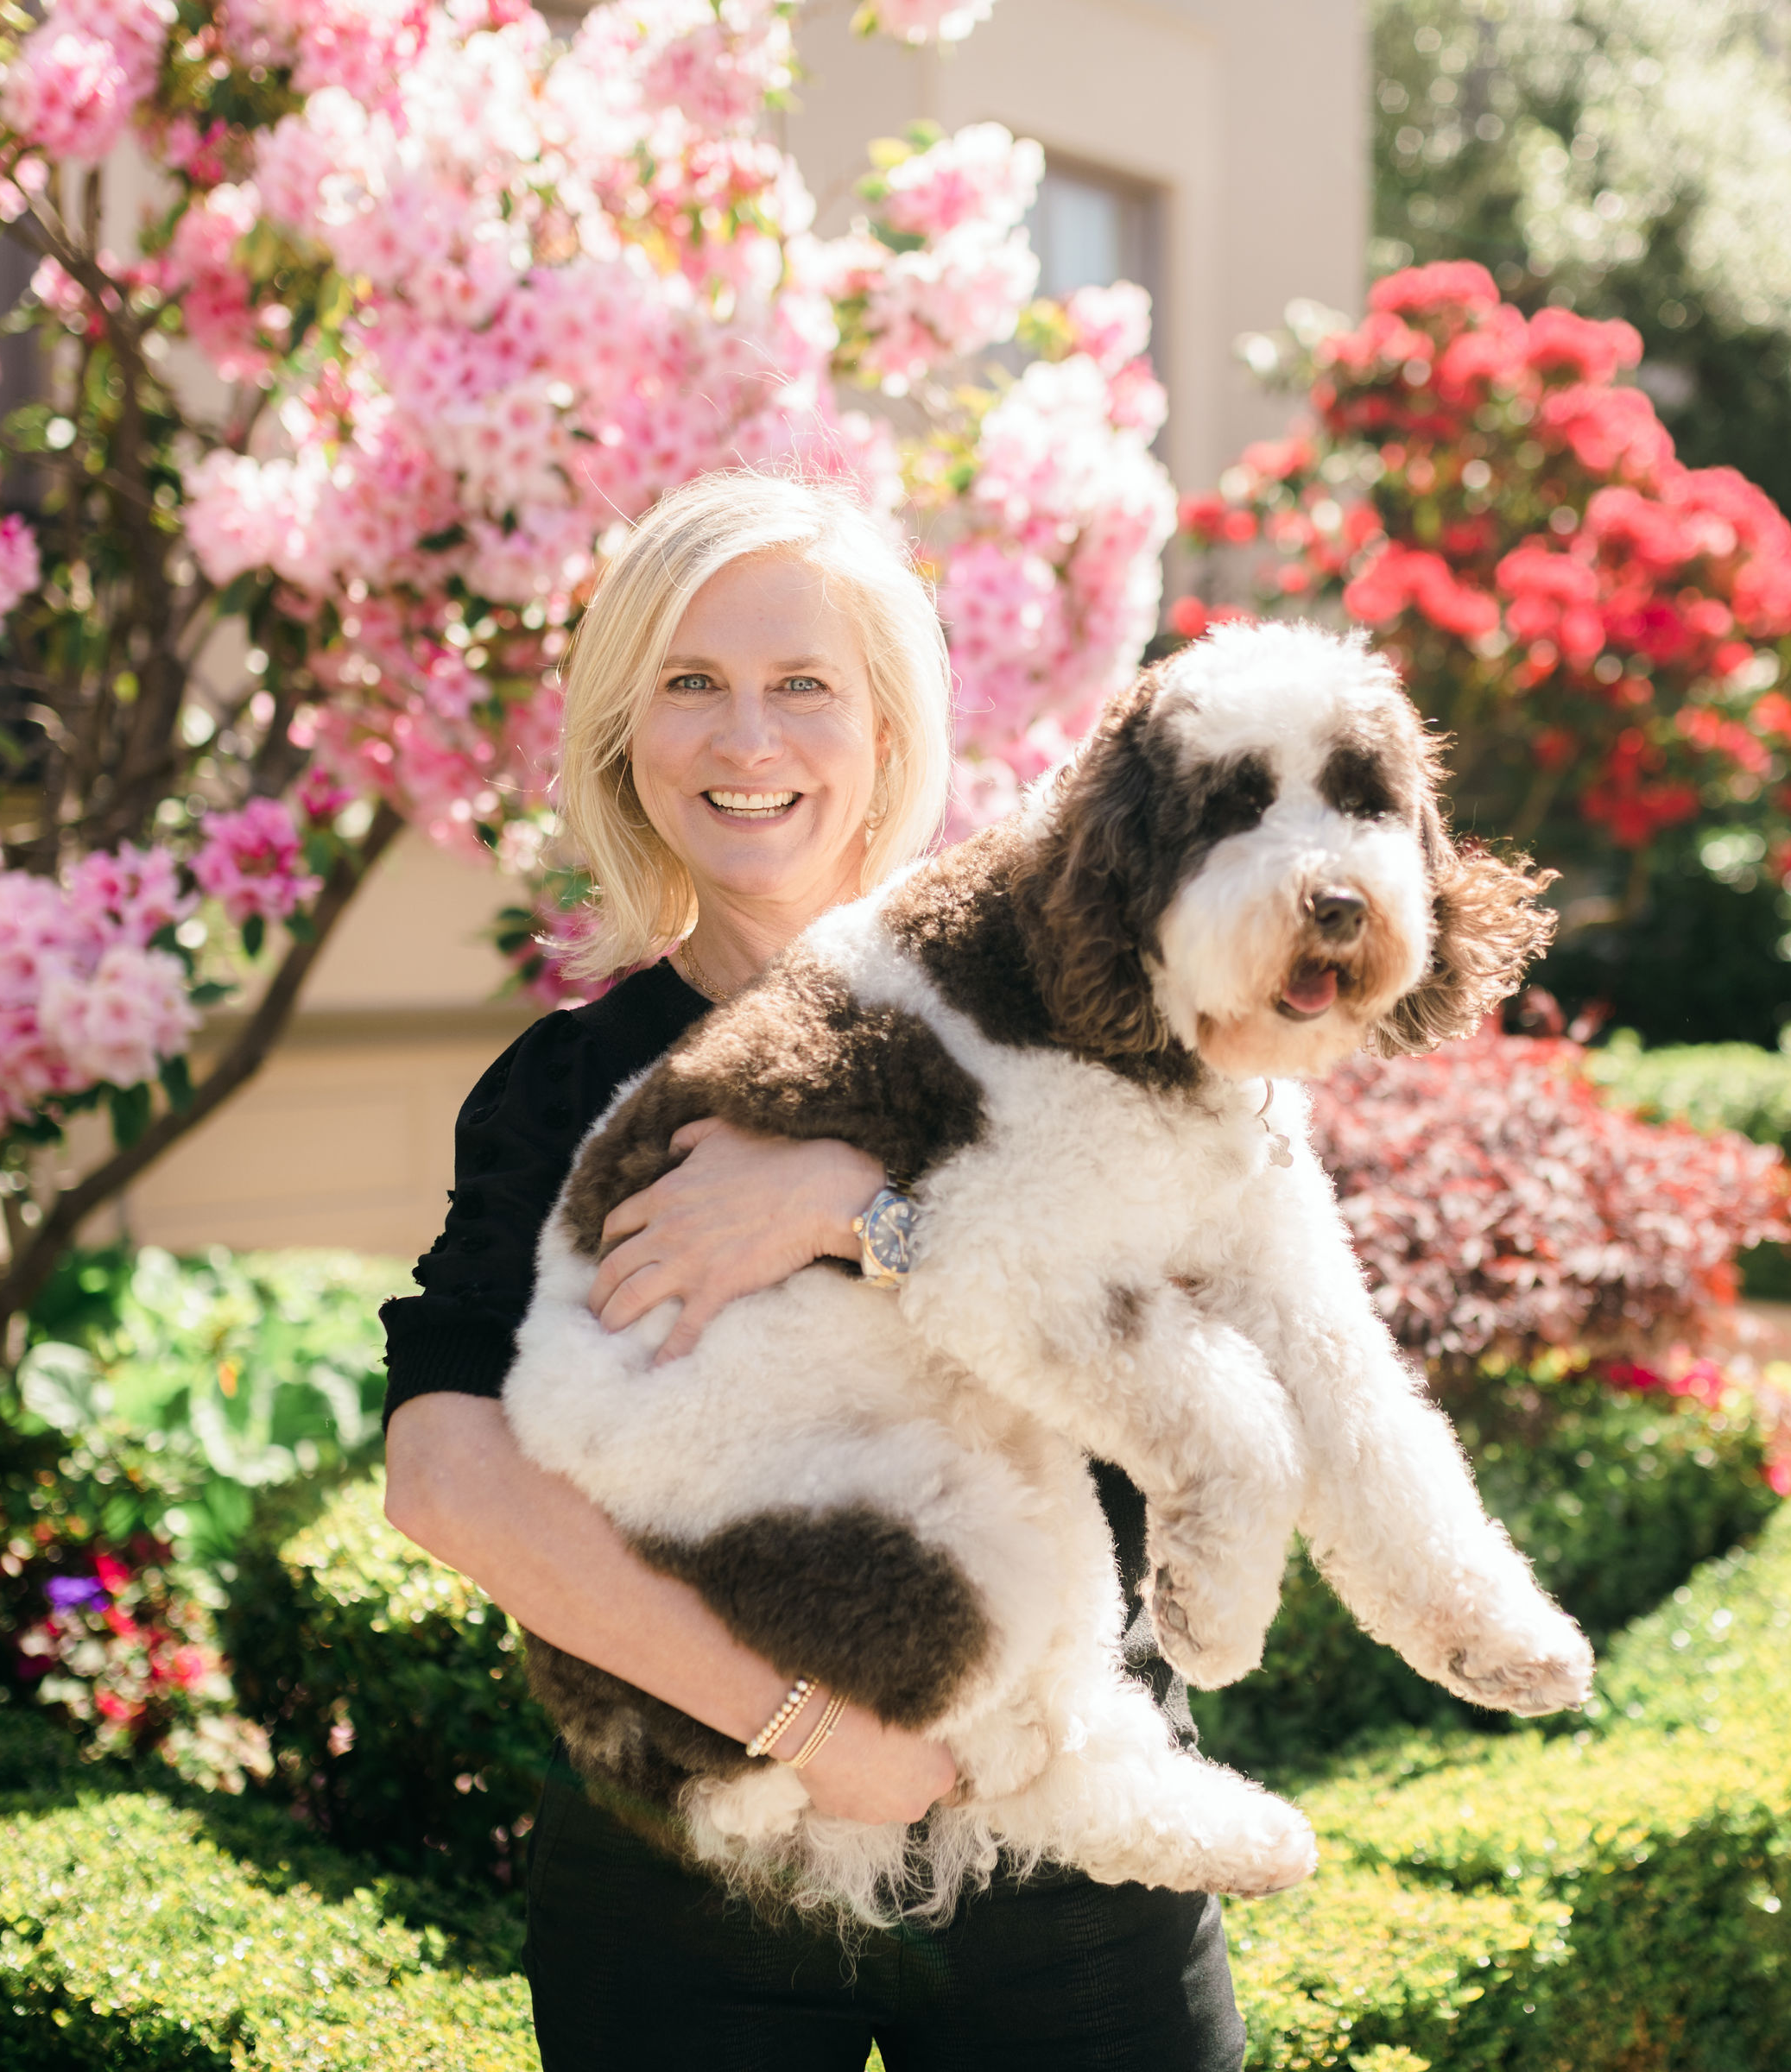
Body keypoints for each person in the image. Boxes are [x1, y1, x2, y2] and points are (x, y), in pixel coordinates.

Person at [379, 470, 1250, 2070]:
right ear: (629, 739)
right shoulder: (564, 1091)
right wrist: (808, 1736)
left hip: (1072, 1881)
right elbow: (445, 1473)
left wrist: (861, 1216)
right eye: (691, 685)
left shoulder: (1063, 1021)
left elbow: (1204, 1360)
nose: (746, 739)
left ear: (885, 736)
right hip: (689, 1890)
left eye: (803, 687)